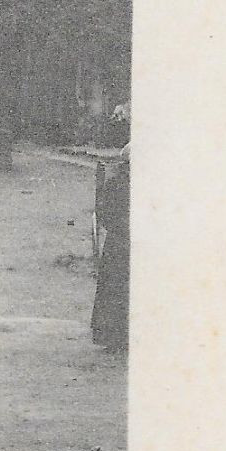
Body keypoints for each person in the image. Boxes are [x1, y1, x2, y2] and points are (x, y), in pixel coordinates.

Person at [91, 144, 131, 352]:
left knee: (116, 289)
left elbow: (103, 213)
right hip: (122, 243)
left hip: (119, 242)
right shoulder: (118, 184)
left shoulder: (115, 182)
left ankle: (113, 337)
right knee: (118, 289)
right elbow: (105, 212)